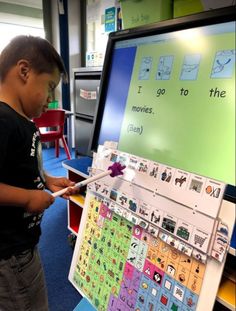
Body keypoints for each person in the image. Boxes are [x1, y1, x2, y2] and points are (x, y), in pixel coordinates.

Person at [0, 35, 76, 311]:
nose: (50, 100)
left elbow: (21, 164)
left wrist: (46, 179)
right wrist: (27, 199)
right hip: (9, 255)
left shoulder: (23, 121)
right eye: (50, 87)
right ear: (24, 72)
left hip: (23, 245)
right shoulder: (3, 119)